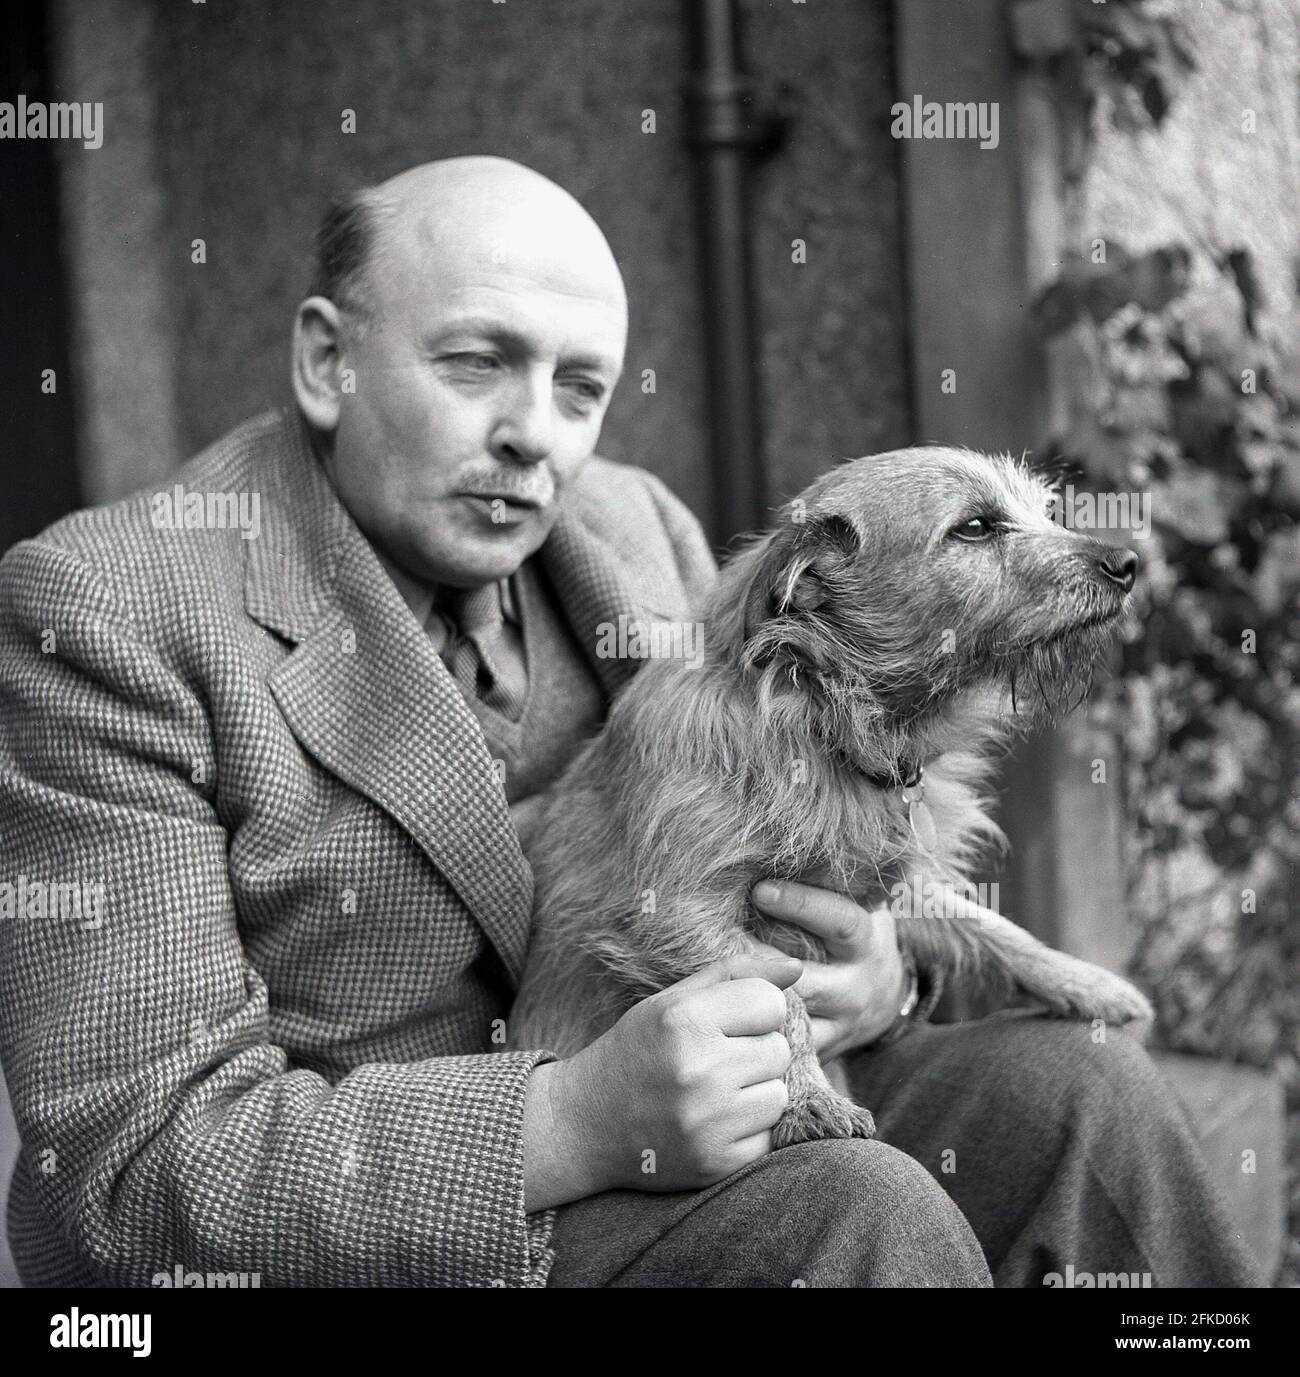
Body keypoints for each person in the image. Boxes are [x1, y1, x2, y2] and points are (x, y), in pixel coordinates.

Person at [0, 157, 1257, 1288]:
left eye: (580, 385)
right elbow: (126, 1178)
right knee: (847, 1209)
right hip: (394, 1234)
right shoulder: (109, 617)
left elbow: (803, 833)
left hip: (716, 1102)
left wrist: (883, 971)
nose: (534, 434)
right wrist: (573, 1122)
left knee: (1086, 1092)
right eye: (475, 361)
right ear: (328, 361)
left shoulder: (633, 527)